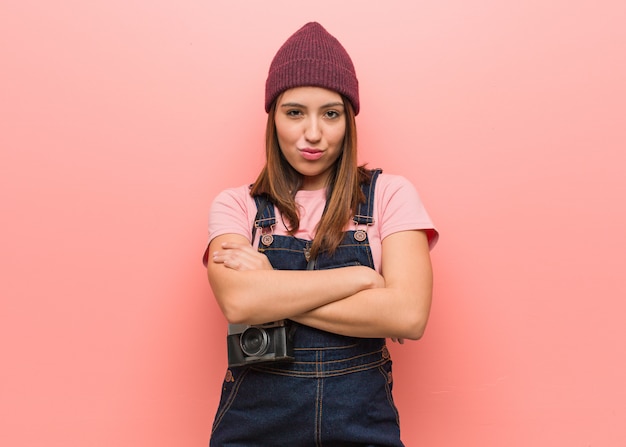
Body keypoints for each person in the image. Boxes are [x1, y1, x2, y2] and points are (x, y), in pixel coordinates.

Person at [203, 22, 438, 446]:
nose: (313, 133)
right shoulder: (236, 205)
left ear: (348, 119)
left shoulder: (390, 195)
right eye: (295, 112)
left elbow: (408, 315)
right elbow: (239, 300)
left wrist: (271, 291)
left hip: (362, 427)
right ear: (273, 116)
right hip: (254, 428)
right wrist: (362, 279)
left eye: (330, 113)